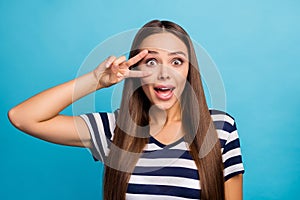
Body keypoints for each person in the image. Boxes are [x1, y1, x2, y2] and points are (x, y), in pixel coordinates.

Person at [8, 19, 244, 200]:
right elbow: (22, 117)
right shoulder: (113, 130)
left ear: (189, 71)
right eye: (151, 62)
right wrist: (97, 80)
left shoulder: (220, 128)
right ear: (136, 71)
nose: (164, 73)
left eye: (176, 61)